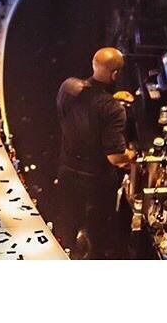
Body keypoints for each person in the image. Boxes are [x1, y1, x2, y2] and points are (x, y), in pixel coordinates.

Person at [56, 47, 137, 259]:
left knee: (67, 224)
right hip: (96, 182)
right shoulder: (114, 109)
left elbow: (80, 110)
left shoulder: (67, 87)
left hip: (67, 171)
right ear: (115, 74)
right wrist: (132, 154)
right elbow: (115, 157)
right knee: (97, 235)